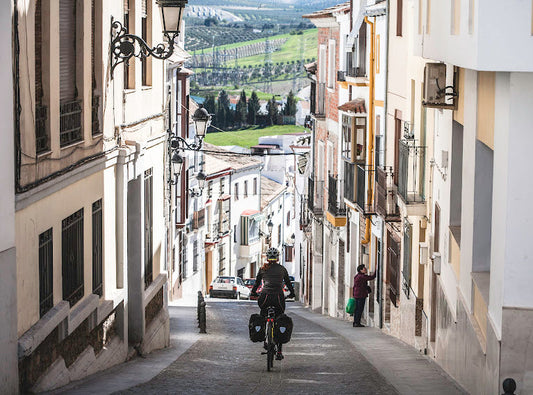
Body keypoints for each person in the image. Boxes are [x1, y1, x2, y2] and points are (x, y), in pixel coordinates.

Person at [250, 247, 295, 360]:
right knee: (280, 319)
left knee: (263, 315)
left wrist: (254, 293)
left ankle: (265, 338)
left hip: (265, 297)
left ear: (267, 258)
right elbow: (289, 284)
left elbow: (256, 284)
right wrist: (292, 294)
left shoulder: (262, 269)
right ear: (278, 258)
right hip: (278, 298)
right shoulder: (282, 269)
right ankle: (279, 351)